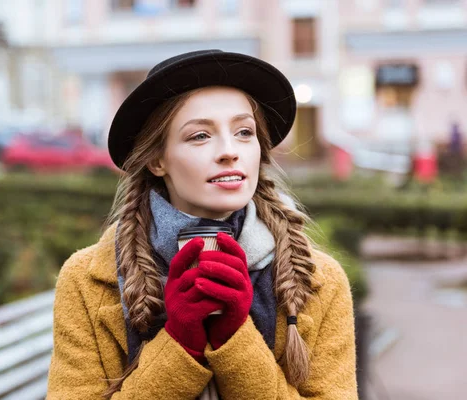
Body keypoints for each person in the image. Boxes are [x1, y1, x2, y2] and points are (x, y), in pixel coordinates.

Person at [47, 50, 358, 399]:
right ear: (157, 159)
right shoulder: (86, 281)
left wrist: (235, 340)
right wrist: (179, 343)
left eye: (243, 131)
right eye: (200, 136)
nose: (229, 151)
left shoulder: (319, 281)